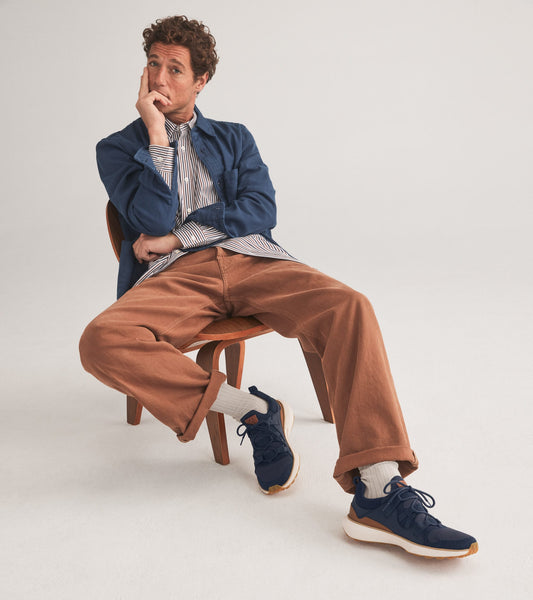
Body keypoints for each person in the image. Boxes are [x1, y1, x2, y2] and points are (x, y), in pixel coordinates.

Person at [79, 15, 477, 559]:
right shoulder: (116, 148)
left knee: (350, 306)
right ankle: (249, 408)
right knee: (100, 340)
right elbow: (148, 216)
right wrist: (155, 136)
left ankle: (379, 488)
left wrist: (179, 234)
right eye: (153, 65)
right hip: (176, 277)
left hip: (254, 259)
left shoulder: (234, 137)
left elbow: (260, 210)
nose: (159, 79)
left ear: (201, 81)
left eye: (175, 69)